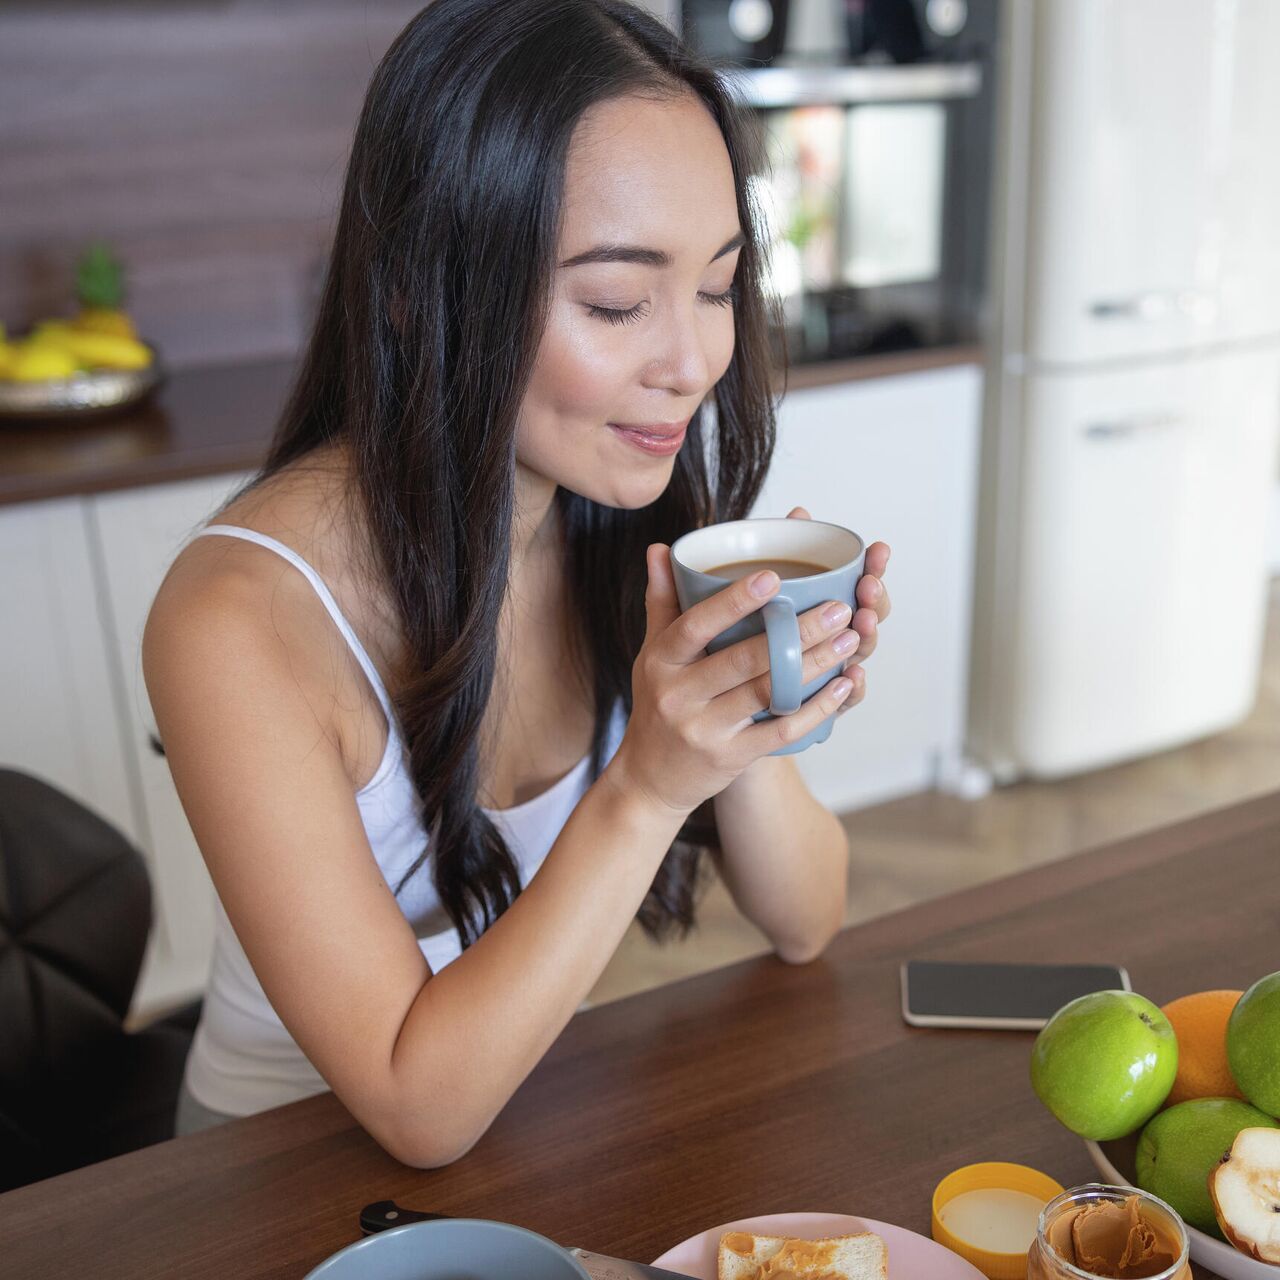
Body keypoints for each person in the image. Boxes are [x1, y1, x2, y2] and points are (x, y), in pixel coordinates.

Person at [143, 0, 893, 1165]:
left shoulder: (615, 516)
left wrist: (751, 694)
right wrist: (646, 787)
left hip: (539, 1122)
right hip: (280, 1179)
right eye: (612, 301)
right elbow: (415, 1104)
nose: (690, 362)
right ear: (417, 288)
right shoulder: (238, 620)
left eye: (715, 286)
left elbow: (808, 918)